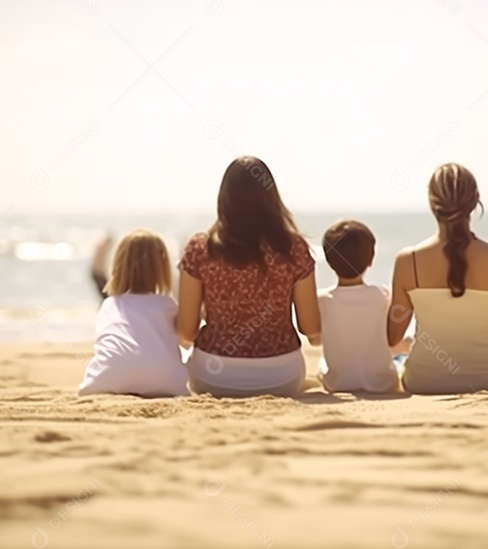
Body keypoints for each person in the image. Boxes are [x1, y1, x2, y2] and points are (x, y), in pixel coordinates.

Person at [176, 156, 321, 397]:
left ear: (224, 198)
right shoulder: (294, 248)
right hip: (282, 376)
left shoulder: (200, 248)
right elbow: (310, 327)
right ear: (271, 197)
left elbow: (186, 332)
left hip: (213, 376)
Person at [387, 163, 488, 394]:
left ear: (432, 203)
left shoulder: (407, 261)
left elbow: (393, 336)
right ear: (475, 202)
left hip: (424, 382)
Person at [78, 230, 188, 397]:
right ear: (162, 268)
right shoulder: (168, 304)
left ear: (118, 265)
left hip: (110, 378)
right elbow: (185, 340)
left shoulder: (109, 304)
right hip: (166, 381)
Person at [316, 220, 399, 393]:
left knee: (320, 365)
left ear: (330, 261)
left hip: (337, 385)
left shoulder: (321, 300)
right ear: (371, 259)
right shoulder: (384, 295)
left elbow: (315, 340)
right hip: (383, 385)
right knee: (399, 360)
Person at [91, 233, 113, 301]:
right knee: (106, 294)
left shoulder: (100, 246)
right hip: (99, 273)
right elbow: (105, 263)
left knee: (105, 294)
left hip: (95, 272)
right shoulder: (104, 247)